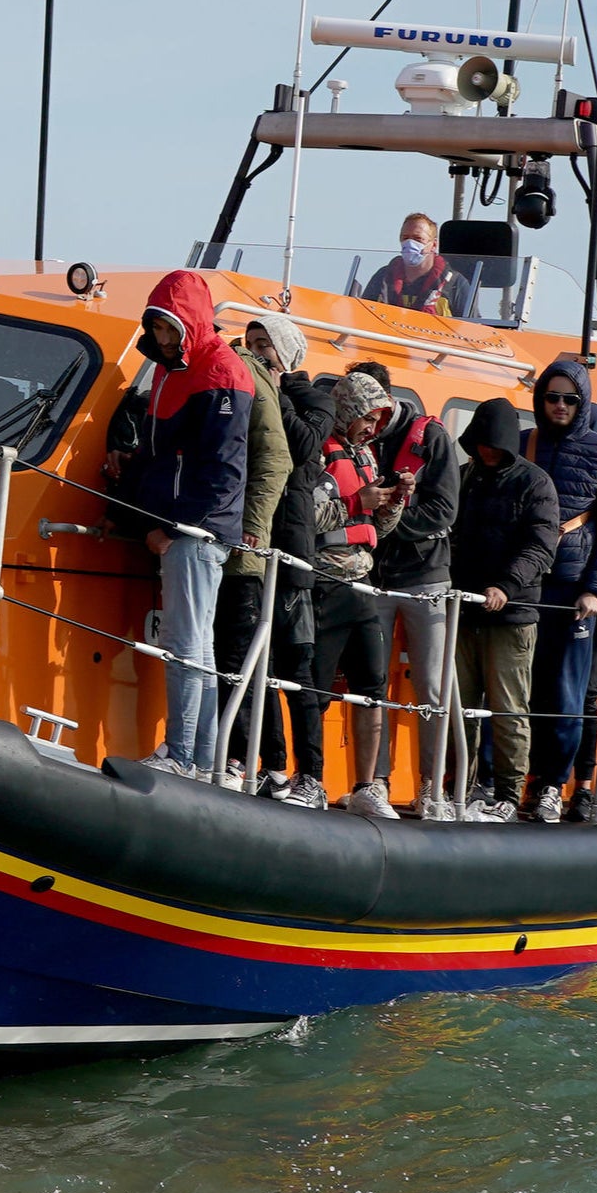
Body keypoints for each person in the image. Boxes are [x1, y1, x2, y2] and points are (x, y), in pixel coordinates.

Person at [119, 270, 252, 770]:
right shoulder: (169, 371)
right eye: (156, 330)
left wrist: (174, 528)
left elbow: (223, 469)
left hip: (195, 531)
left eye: (170, 329)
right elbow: (157, 454)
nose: (162, 338)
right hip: (184, 527)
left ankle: (182, 755)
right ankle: (201, 758)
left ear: (191, 323)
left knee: (185, 644)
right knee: (198, 644)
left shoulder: (220, 372)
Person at [345, 360, 459, 817]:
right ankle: (376, 782)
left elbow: (444, 510)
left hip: (426, 575)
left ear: (387, 399)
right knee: (371, 682)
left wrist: (385, 524)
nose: (369, 418)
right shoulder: (358, 442)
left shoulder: (431, 438)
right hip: (375, 578)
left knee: (431, 686)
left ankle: (433, 787)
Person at [287, 371, 403, 813]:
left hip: (364, 586)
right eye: (368, 417)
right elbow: (308, 517)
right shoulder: (318, 451)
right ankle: (309, 778)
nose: (373, 427)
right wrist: (359, 503)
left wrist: (392, 505)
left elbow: (378, 529)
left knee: (371, 686)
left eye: (379, 419)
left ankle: (367, 787)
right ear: (350, 411)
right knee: (313, 686)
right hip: (326, 583)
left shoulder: (368, 458)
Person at [521, 355, 597, 821]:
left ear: (581, 402)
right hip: (524, 584)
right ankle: (502, 782)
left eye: (569, 398)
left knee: (566, 694)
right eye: (552, 397)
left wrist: (595, 589)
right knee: (515, 688)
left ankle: (551, 785)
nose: (559, 405)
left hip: (572, 588)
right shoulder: (525, 443)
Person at [452, 397, 563, 820]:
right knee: (460, 707)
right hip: (465, 610)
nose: (485, 451)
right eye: (479, 443)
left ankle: (508, 794)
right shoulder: (464, 478)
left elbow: (540, 546)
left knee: (508, 709)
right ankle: (460, 785)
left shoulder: (536, 484)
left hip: (512, 616)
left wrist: (505, 587)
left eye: (492, 444)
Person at [213, 316, 301, 782]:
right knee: (242, 659)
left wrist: (251, 528)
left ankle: (241, 757)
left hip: (252, 549)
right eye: (251, 343)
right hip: (231, 538)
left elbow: (279, 459)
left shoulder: (263, 385)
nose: (256, 352)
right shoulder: (233, 374)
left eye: (266, 345)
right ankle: (266, 763)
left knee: (238, 657)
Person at [360, 213, 470, 315]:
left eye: (418, 239)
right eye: (405, 238)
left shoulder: (456, 283)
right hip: (386, 335)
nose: (410, 243)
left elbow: (474, 326)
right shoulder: (383, 276)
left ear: (434, 245)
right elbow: (362, 315)